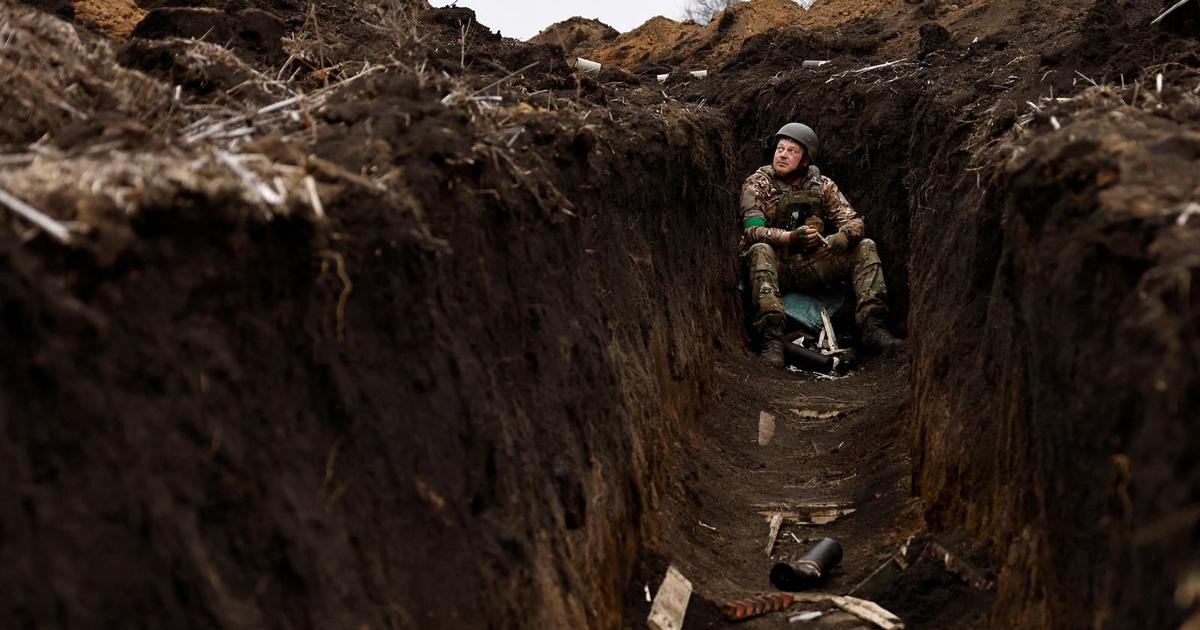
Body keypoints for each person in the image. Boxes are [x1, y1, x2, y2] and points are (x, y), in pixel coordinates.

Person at [740, 122, 903, 367]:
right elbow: (752, 231)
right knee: (760, 250)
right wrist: (790, 238)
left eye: (791, 151)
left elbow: (854, 221)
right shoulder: (757, 184)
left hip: (811, 263)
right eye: (780, 149)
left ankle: (873, 326)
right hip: (776, 266)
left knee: (865, 246)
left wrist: (843, 237)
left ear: (805, 160)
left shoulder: (822, 185)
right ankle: (771, 339)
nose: (782, 155)